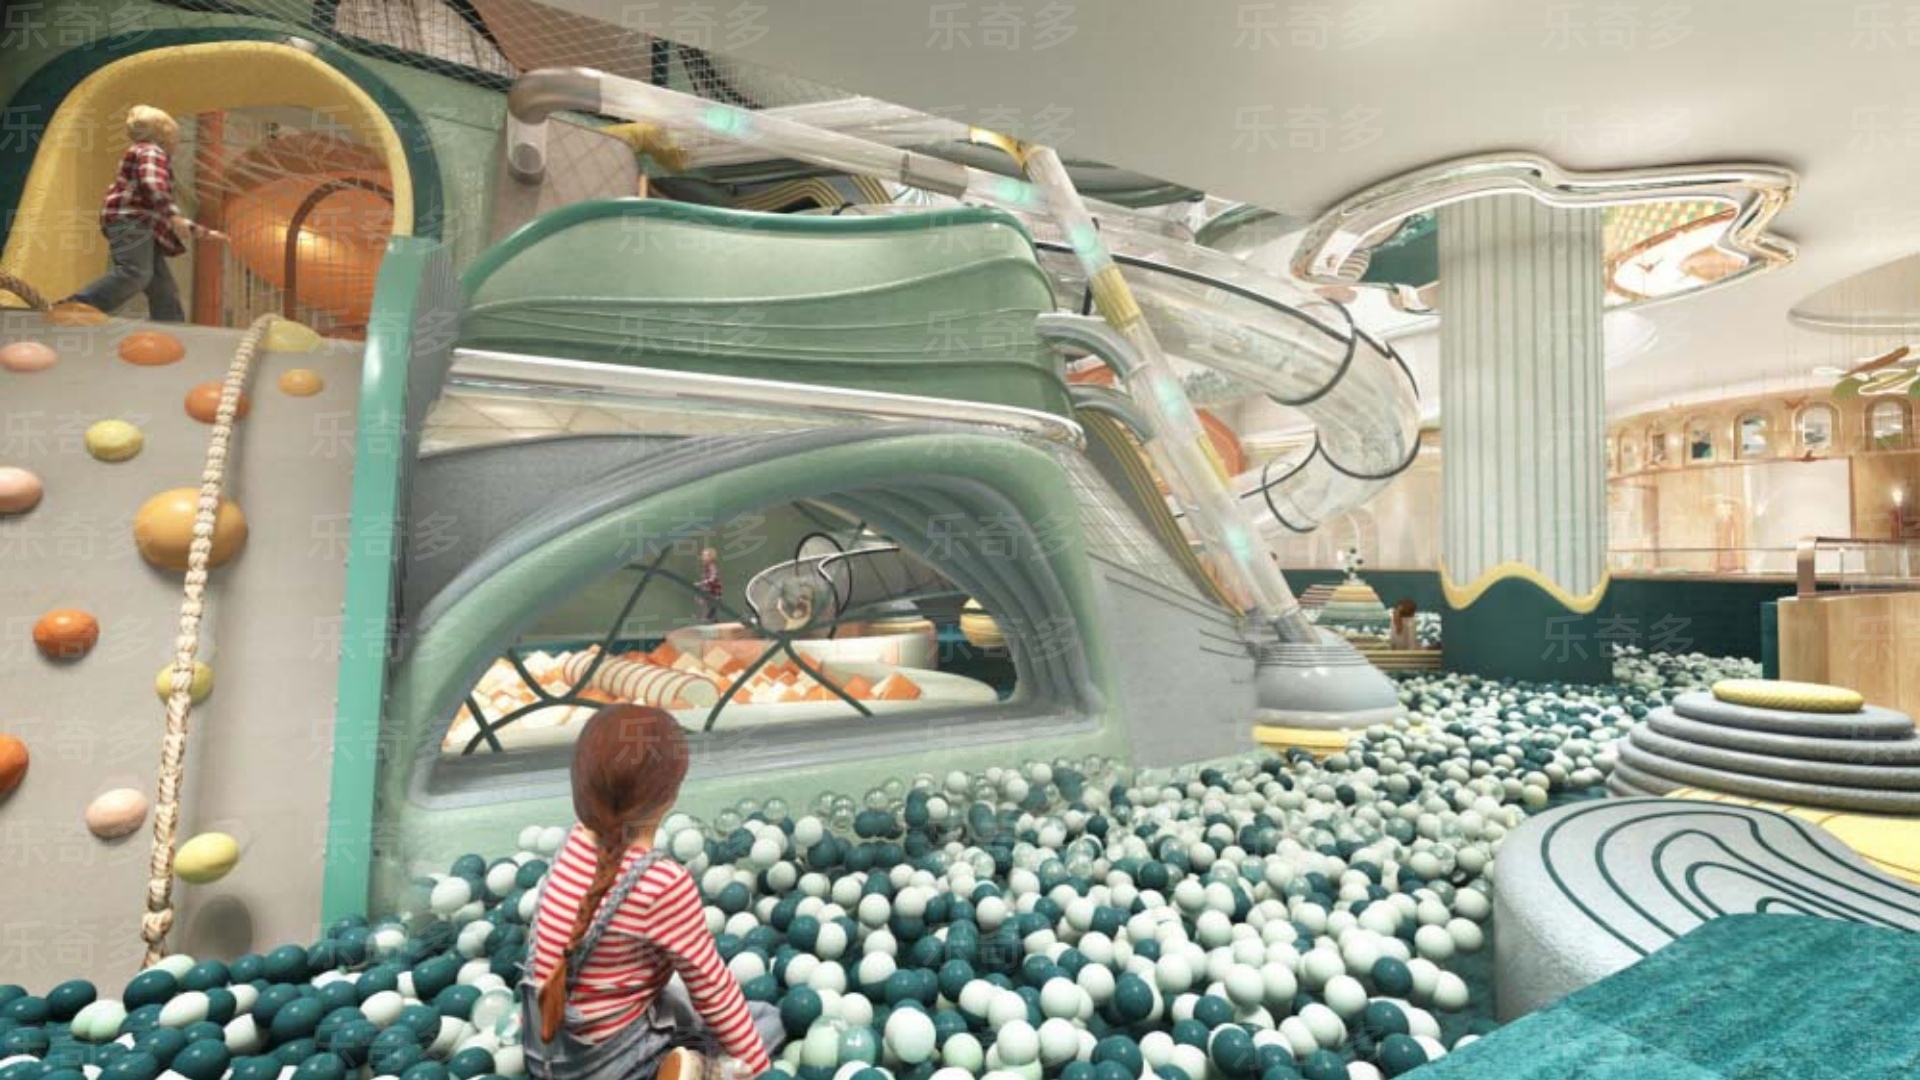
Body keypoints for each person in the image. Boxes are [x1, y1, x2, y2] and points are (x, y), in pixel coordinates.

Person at [523, 706, 781, 1080]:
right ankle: (691, 1072)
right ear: (670, 795)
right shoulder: (661, 883)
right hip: (609, 1063)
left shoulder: (571, 844)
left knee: (670, 996)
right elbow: (713, 989)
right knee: (768, 1020)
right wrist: (760, 1069)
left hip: (545, 1052)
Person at [58, 105, 225, 322]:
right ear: (165, 136)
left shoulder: (143, 152)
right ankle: (79, 305)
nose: (177, 144)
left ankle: (171, 323)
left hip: (139, 224)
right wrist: (174, 216)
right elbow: (153, 185)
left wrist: (204, 233)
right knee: (135, 273)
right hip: (131, 220)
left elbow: (161, 211)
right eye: (176, 138)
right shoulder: (151, 152)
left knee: (162, 287)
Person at [694, 547, 723, 623]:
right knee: (711, 616)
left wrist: (701, 584)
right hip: (710, 596)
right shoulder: (707, 568)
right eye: (702, 555)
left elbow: (713, 579)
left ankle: (714, 626)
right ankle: (715, 624)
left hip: (713, 596)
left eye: (705, 556)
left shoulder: (712, 567)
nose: (702, 557)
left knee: (709, 616)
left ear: (711, 558)